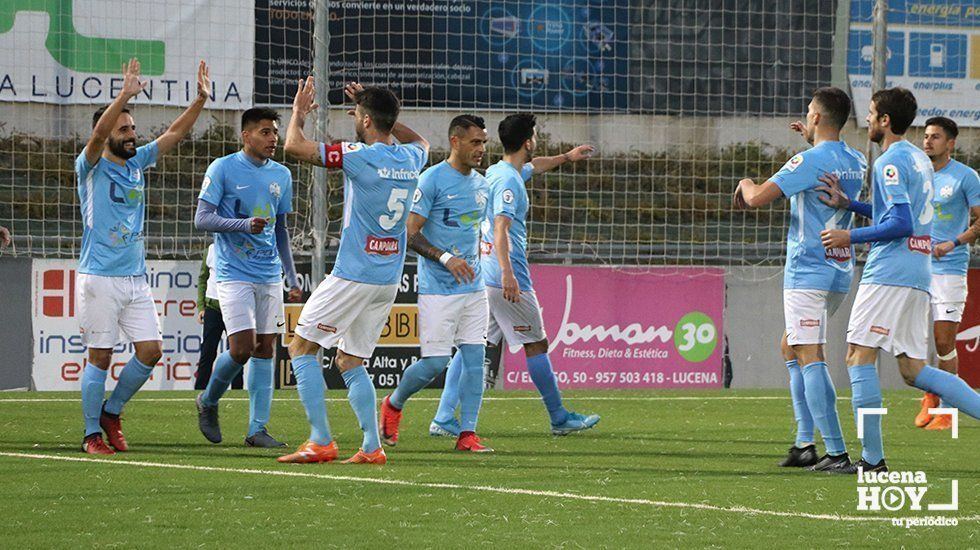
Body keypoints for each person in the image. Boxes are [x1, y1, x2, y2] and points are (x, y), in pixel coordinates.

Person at [821, 87, 980, 473]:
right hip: (920, 270)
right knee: (912, 370)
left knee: (859, 355)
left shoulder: (891, 161)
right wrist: (850, 205)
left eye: (872, 114)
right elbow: (893, 210)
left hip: (890, 271)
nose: (869, 121)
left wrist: (849, 235)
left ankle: (872, 460)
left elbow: (900, 222)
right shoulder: (917, 158)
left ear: (885, 121)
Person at [277, 77, 429, 464]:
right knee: (349, 360)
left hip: (353, 274)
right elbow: (422, 142)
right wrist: (381, 114)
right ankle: (371, 446)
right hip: (387, 279)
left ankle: (320, 440)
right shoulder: (411, 158)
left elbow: (293, 146)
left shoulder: (359, 155)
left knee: (301, 347)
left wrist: (298, 112)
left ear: (363, 121)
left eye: (360, 116)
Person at [430, 113, 599, 437]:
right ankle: (559, 417)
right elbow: (500, 227)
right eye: (534, 136)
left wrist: (567, 156)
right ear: (527, 141)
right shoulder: (508, 181)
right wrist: (508, 274)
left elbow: (535, 167)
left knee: (471, 347)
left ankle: (442, 417)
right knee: (536, 343)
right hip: (504, 276)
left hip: (485, 273)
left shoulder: (500, 171)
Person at [77, 58, 210, 455]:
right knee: (100, 356)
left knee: (151, 352)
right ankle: (90, 435)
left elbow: (174, 132)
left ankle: (112, 412)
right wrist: (123, 95)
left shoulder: (137, 163)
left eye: (133, 127)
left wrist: (200, 100)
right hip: (99, 277)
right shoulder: (91, 165)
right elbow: (99, 133)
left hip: (134, 278)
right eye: (124, 128)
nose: (132, 133)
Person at [734, 87, 865, 471]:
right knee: (790, 347)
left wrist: (744, 182)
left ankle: (837, 452)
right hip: (839, 270)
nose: (806, 116)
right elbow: (824, 160)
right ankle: (804, 443)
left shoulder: (806, 161)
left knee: (810, 354)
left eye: (809, 112)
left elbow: (757, 197)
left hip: (808, 269)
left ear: (817, 118)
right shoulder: (856, 159)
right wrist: (809, 141)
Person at [377, 115, 493, 452]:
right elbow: (409, 233)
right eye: (475, 142)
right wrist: (446, 258)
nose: (481, 149)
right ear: (455, 141)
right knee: (435, 363)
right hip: (438, 287)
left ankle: (467, 434)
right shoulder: (431, 181)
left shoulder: (482, 184)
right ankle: (394, 404)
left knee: (475, 359)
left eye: (484, 143)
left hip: (474, 287)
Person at [193, 106, 302, 448]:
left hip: (268, 273)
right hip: (232, 272)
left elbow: (280, 228)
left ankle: (257, 429)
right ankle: (208, 400)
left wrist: (292, 273)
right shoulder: (223, 168)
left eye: (274, 132)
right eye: (265, 132)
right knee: (241, 349)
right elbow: (202, 219)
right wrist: (242, 225)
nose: (273, 138)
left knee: (266, 348)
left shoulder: (281, 175)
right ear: (246, 135)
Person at [914, 116, 980, 431]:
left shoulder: (966, 177)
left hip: (949, 270)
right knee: (912, 340)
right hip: (915, 268)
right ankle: (930, 396)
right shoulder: (917, 176)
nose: (928, 141)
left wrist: (953, 243)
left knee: (944, 341)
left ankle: (947, 412)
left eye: (936, 137)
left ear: (950, 143)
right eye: (926, 136)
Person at [195, 243, 242, 391]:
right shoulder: (210, 250)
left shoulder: (240, 249)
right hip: (213, 308)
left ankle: (237, 391)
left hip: (234, 308)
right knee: (207, 352)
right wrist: (201, 306)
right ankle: (199, 390)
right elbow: (203, 278)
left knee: (236, 352)